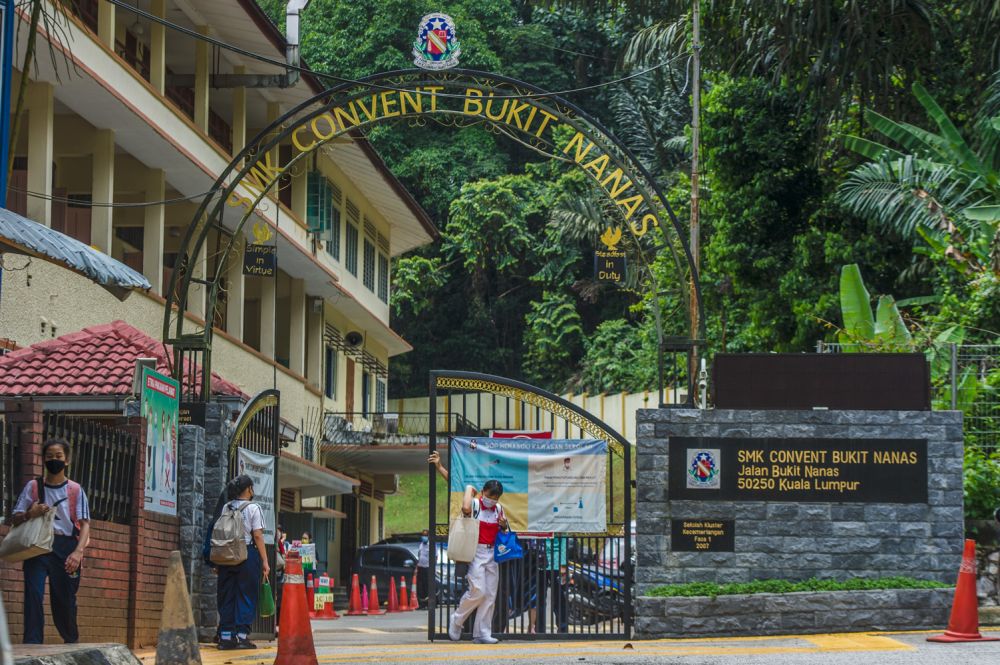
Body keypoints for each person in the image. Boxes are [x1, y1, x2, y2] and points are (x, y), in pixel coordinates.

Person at [10, 438, 91, 644]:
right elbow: (15, 517)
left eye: (58, 456)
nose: (53, 460)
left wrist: (78, 552)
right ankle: (32, 643)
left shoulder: (75, 490)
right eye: (49, 457)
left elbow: (85, 524)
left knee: (64, 600)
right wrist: (31, 512)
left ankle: (71, 642)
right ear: (42, 460)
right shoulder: (33, 487)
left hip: (66, 549)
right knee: (33, 594)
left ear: (67, 461)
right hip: (37, 546)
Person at [448, 480, 507, 644]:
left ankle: (482, 633)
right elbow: (465, 509)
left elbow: (505, 530)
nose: (492, 500)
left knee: (489, 596)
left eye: (496, 497)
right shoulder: (475, 504)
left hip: (493, 553)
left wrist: (504, 526)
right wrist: (469, 489)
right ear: (483, 492)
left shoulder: (499, 509)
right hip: (476, 552)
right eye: (489, 496)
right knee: (478, 590)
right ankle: (457, 620)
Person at [216, 475, 270, 650]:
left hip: (226, 556)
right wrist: (265, 560)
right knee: (246, 595)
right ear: (248, 489)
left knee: (227, 595)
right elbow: (258, 536)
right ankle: (241, 637)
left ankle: (225, 637)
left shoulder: (227, 506)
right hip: (247, 555)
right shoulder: (254, 508)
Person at [417, 529, 430, 608]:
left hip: (427, 568)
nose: (424, 537)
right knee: (420, 587)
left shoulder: (431, 545)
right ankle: (422, 604)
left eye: (425, 535)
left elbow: (435, 557)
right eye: (423, 535)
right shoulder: (421, 545)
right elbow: (419, 555)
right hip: (421, 568)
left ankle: (429, 604)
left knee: (427, 587)